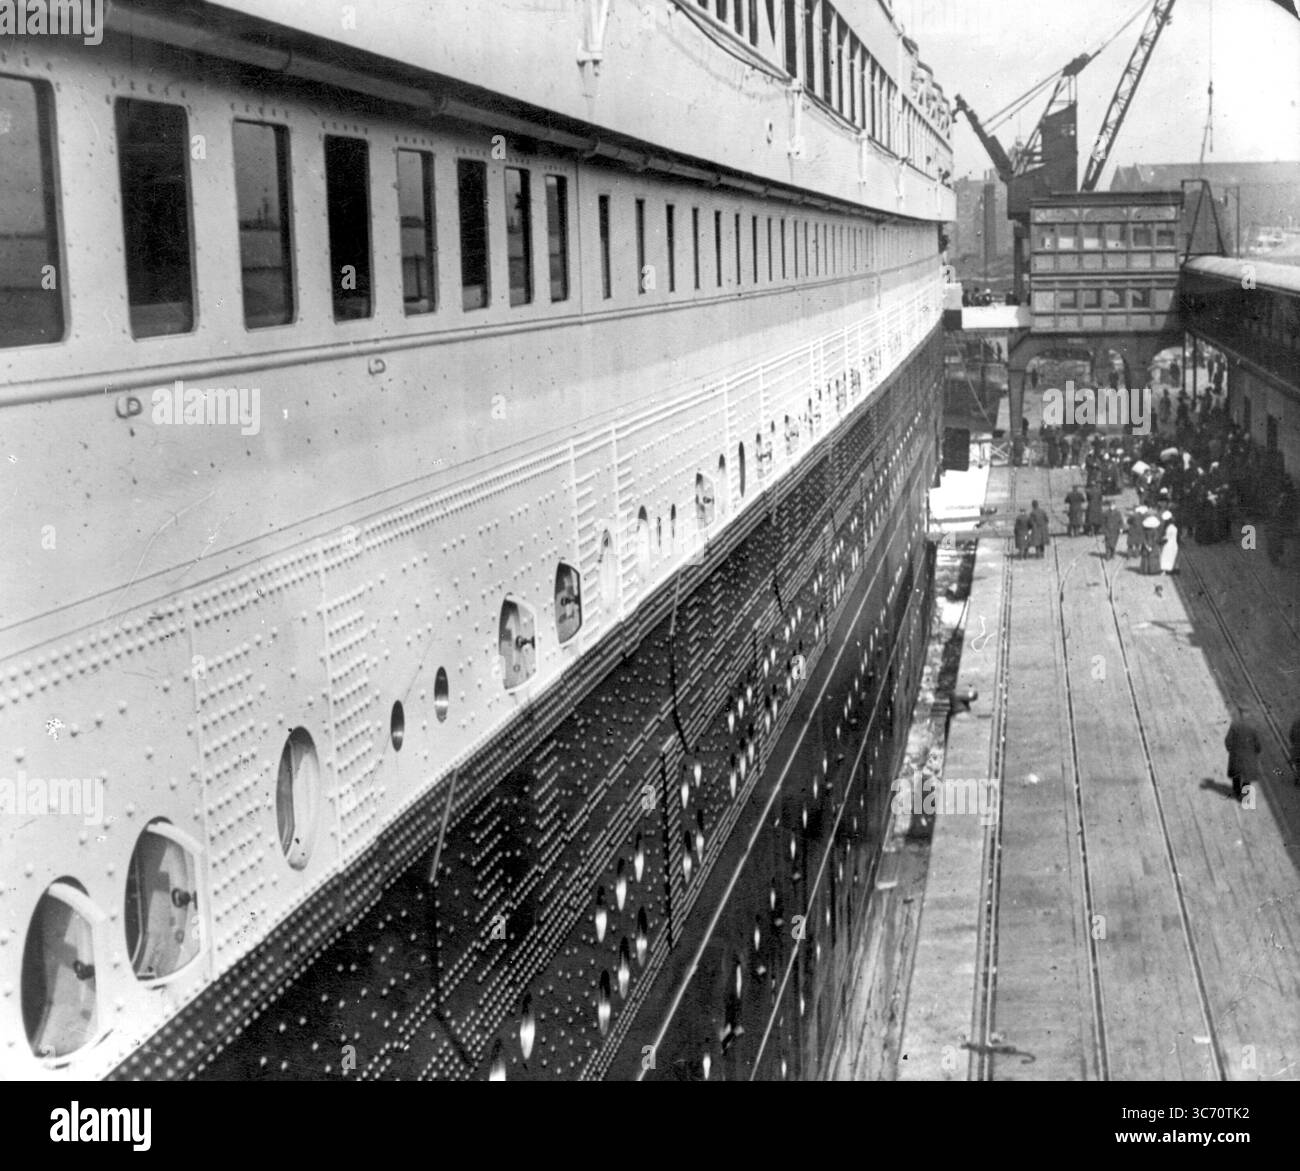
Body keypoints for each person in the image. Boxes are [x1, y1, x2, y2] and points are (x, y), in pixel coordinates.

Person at [1224, 714, 1262, 802]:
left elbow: (1228, 740)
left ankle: (1237, 792)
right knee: (1247, 776)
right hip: (1249, 756)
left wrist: (1231, 750)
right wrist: (1257, 751)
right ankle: (1244, 795)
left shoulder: (1235, 725)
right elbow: (1257, 744)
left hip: (1236, 755)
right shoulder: (1253, 727)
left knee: (1236, 774)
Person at [1290, 714, 1300, 786]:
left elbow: (1291, 736)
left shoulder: (1296, 723)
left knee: (1297, 763)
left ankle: (1297, 777)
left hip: (1296, 749)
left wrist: (1294, 744)